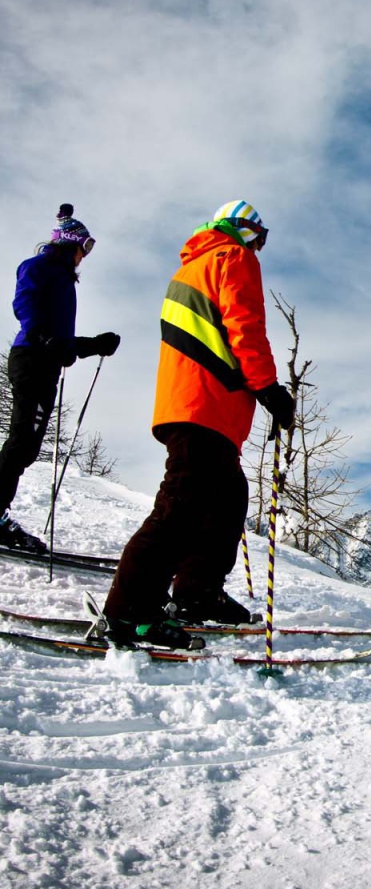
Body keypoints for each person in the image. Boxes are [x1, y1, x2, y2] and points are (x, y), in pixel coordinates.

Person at [102, 201, 294, 649]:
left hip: (196, 404)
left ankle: (196, 594)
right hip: (206, 404)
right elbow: (245, 326)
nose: (260, 249)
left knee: (228, 498)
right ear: (244, 231)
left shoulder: (189, 270)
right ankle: (128, 613)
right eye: (260, 238)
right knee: (180, 507)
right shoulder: (232, 258)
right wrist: (270, 389)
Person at [0, 204, 121, 553]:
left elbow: (61, 342)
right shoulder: (39, 267)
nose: (86, 254)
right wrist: (45, 340)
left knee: (27, 445)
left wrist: (94, 345)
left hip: (45, 364)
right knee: (22, 441)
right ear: (71, 243)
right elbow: (25, 307)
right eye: (86, 246)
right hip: (32, 360)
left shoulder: (65, 281)